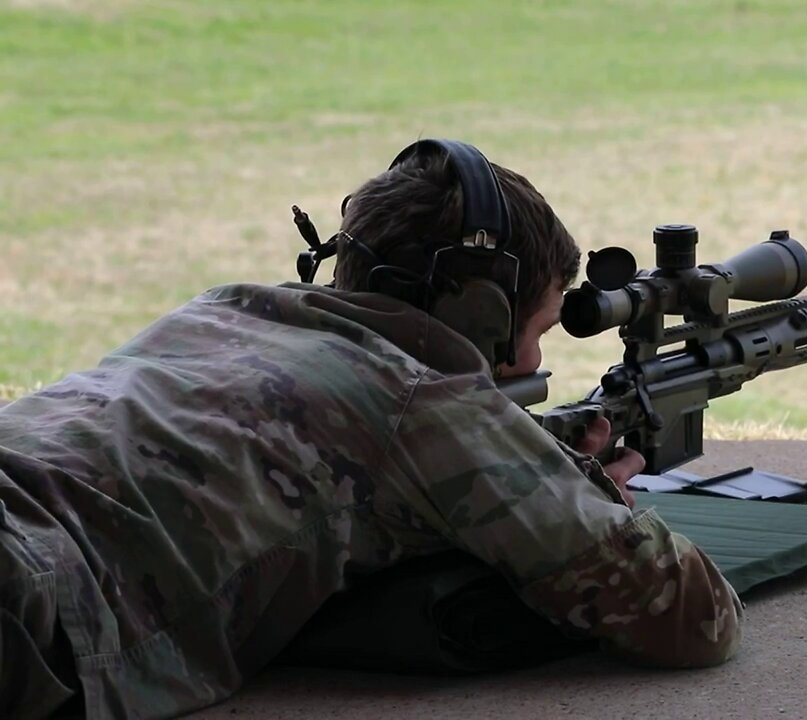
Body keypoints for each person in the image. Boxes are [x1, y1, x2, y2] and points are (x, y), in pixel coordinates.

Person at [0, 141, 743, 720]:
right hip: (26, 600)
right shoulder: (422, 401)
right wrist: (591, 499)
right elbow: (688, 617)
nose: (534, 358)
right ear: (480, 313)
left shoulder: (222, 308)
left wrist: (526, 449)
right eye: (539, 328)